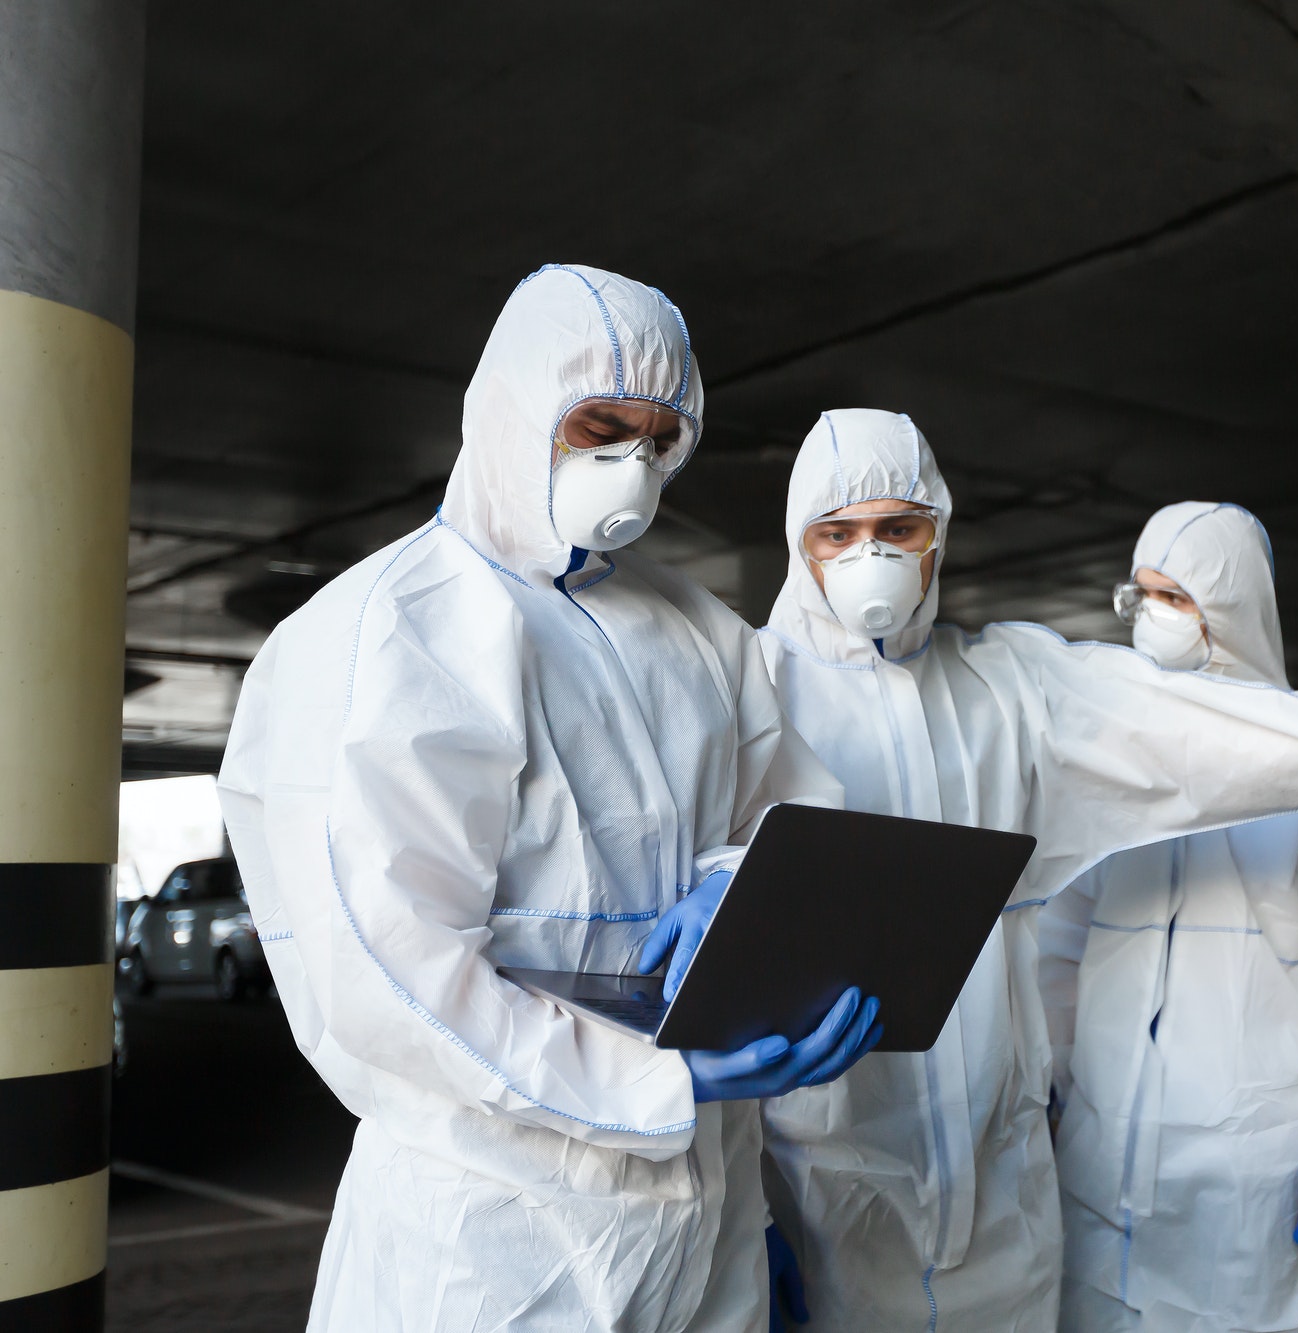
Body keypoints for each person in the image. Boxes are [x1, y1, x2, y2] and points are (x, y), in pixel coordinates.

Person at [751, 410, 1298, 1330]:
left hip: (1091, 1177)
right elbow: (1050, 953)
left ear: (938, 533)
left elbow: (1289, 783)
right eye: (838, 532)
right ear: (798, 542)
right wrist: (753, 1209)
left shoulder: (1009, 687)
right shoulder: (758, 691)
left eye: (898, 529)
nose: (871, 556)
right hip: (877, 1171)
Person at [217, 264, 879, 1333]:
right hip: (494, 1232)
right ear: (516, 410)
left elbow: (793, 818)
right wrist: (657, 1085)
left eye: (659, 438)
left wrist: (740, 883)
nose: (632, 463)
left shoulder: (702, 631)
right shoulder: (388, 631)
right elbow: (385, 968)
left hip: (704, 1217)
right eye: (598, 425)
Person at [1039, 501, 1298, 1333]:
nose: (1150, 616)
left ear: (1232, 609)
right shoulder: (1111, 754)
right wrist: (1047, 1083)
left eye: (1174, 597)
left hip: (1243, 1156)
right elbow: (1057, 941)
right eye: (1140, 594)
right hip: (1095, 1148)